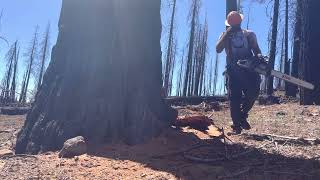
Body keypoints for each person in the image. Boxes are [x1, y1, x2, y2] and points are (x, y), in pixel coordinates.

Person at [216, 11, 262, 134]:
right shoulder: (224, 35)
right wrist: (227, 34)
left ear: (240, 22)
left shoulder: (249, 34)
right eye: (232, 24)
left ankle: (242, 115)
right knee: (234, 98)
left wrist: (258, 57)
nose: (235, 26)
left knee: (252, 94)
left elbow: (257, 50)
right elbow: (218, 49)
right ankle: (236, 125)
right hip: (233, 71)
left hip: (249, 70)